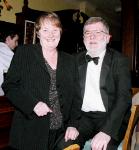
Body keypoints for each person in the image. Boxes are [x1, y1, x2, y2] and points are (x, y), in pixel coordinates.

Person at [2, 12, 81, 150]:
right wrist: (33, 104)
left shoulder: (70, 60)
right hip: (29, 132)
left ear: (60, 32)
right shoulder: (24, 53)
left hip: (61, 134)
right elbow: (9, 85)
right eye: (45, 30)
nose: (51, 35)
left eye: (55, 30)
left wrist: (73, 124)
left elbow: (76, 95)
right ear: (38, 33)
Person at [75, 17, 132, 150]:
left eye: (98, 32)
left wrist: (107, 131)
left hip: (111, 117)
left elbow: (124, 98)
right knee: (63, 145)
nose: (92, 37)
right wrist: (71, 124)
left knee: (103, 148)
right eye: (88, 33)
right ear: (83, 38)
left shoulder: (120, 61)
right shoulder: (74, 60)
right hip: (83, 118)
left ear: (107, 38)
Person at [0, 29, 19, 95]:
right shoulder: (4, 50)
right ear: (8, 39)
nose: (17, 44)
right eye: (15, 41)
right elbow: (19, 68)